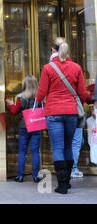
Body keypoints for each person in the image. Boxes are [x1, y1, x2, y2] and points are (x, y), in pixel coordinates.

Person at [35, 37, 87, 194]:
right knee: (68, 147)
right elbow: (83, 93)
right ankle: (67, 182)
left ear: (53, 50)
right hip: (71, 113)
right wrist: (80, 102)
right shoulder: (77, 67)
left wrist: (37, 100)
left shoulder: (48, 68)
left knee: (58, 147)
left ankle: (62, 185)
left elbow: (41, 92)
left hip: (53, 113)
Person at [6, 76, 42, 183]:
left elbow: (14, 111)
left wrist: (11, 104)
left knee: (22, 151)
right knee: (35, 151)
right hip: (36, 126)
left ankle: (20, 176)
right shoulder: (39, 97)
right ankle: (35, 176)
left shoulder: (20, 97)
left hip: (23, 126)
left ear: (24, 85)